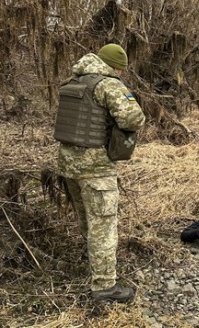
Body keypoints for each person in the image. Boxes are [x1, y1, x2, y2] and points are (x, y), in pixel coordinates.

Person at [53, 44, 146, 303]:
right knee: (103, 226)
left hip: (70, 165)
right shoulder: (108, 84)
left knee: (88, 220)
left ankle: (96, 266)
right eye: (121, 69)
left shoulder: (73, 82)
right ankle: (105, 287)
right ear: (116, 66)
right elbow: (133, 119)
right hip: (96, 168)